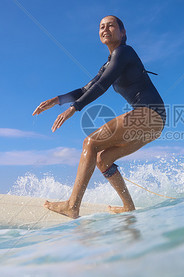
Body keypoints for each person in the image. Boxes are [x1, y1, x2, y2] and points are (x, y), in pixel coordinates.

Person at [32, 15, 166, 218]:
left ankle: (72, 205)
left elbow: (103, 85)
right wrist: (57, 100)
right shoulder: (108, 64)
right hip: (155, 123)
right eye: (101, 26)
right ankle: (128, 206)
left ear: (123, 32)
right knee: (103, 159)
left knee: (91, 142)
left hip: (150, 114)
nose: (105, 29)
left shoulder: (124, 52)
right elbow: (87, 88)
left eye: (111, 25)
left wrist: (74, 108)